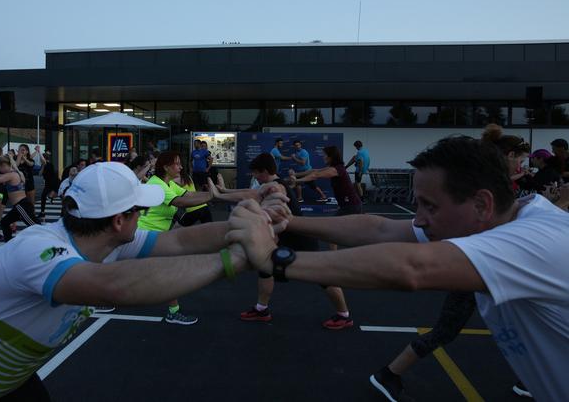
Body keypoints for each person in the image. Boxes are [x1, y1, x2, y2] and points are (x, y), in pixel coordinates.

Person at [0, 162, 265, 400]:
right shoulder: (37, 248)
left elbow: (181, 240)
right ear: (119, 220)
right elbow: (113, 287)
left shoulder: (111, 242)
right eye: (140, 209)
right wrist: (234, 259)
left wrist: (251, 224)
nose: (145, 215)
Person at [234, 135, 569, 402]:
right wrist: (291, 222)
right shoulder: (502, 221)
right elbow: (380, 230)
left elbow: (411, 269)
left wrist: (275, 260)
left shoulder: (533, 241)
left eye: (430, 206)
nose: (420, 219)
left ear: (482, 204)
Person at [369, 124, 532, 401]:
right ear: (508, 155)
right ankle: (388, 373)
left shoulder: (498, 186)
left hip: (493, 264)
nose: (521, 164)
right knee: (445, 330)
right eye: (519, 158)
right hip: (475, 264)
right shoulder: (489, 186)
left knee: (529, 319)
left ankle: (529, 378)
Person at [237, 153, 352, 329]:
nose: (254, 176)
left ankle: (344, 315)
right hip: (284, 235)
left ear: (265, 171)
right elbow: (250, 195)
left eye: (256, 173)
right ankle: (261, 309)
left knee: (323, 274)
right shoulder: (272, 184)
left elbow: (259, 196)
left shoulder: (276, 186)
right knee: (265, 268)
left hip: (300, 237)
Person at [137, 151, 216, 325]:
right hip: (146, 235)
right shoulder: (158, 185)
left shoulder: (169, 184)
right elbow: (180, 203)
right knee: (168, 273)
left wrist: (213, 195)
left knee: (154, 273)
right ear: (166, 167)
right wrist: (211, 196)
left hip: (156, 235)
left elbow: (188, 195)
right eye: (177, 164)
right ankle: (173, 312)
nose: (181, 167)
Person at [17, 144, 44, 215]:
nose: (21, 151)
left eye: (23, 150)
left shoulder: (30, 159)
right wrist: (19, 157)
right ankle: (21, 215)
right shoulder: (16, 159)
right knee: (20, 202)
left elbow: (30, 164)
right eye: (20, 150)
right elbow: (15, 166)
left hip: (29, 184)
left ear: (27, 151)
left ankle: (32, 215)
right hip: (19, 185)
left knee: (31, 202)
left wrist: (24, 158)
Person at [39, 151, 60, 221]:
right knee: (43, 197)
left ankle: (50, 197)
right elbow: (40, 173)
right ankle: (42, 212)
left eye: (41, 158)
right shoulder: (44, 165)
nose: (40, 160)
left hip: (53, 182)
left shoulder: (49, 164)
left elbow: (54, 176)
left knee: (59, 194)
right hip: (49, 183)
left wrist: (39, 152)